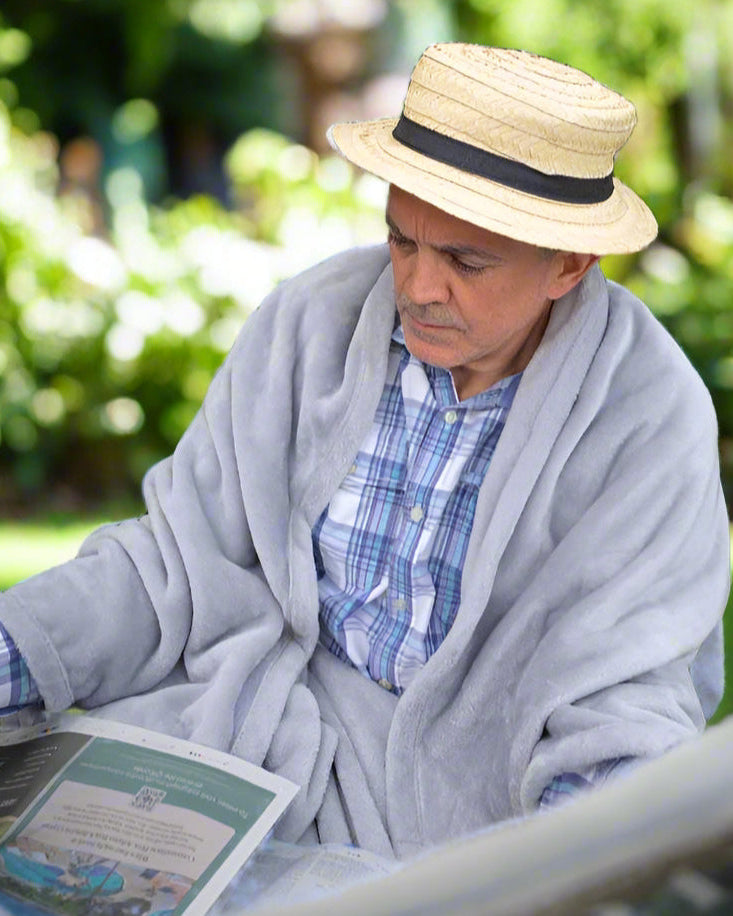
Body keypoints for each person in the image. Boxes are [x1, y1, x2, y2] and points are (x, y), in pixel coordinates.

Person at [0, 44, 729, 860]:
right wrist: (16, 648)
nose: (417, 287)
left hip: (461, 812)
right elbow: (174, 565)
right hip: (243, 738)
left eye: (463, 261)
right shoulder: (309, 322)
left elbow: (623, 695)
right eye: (402, 241)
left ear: (568, 263)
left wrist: (567, 865)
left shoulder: (646, 414)